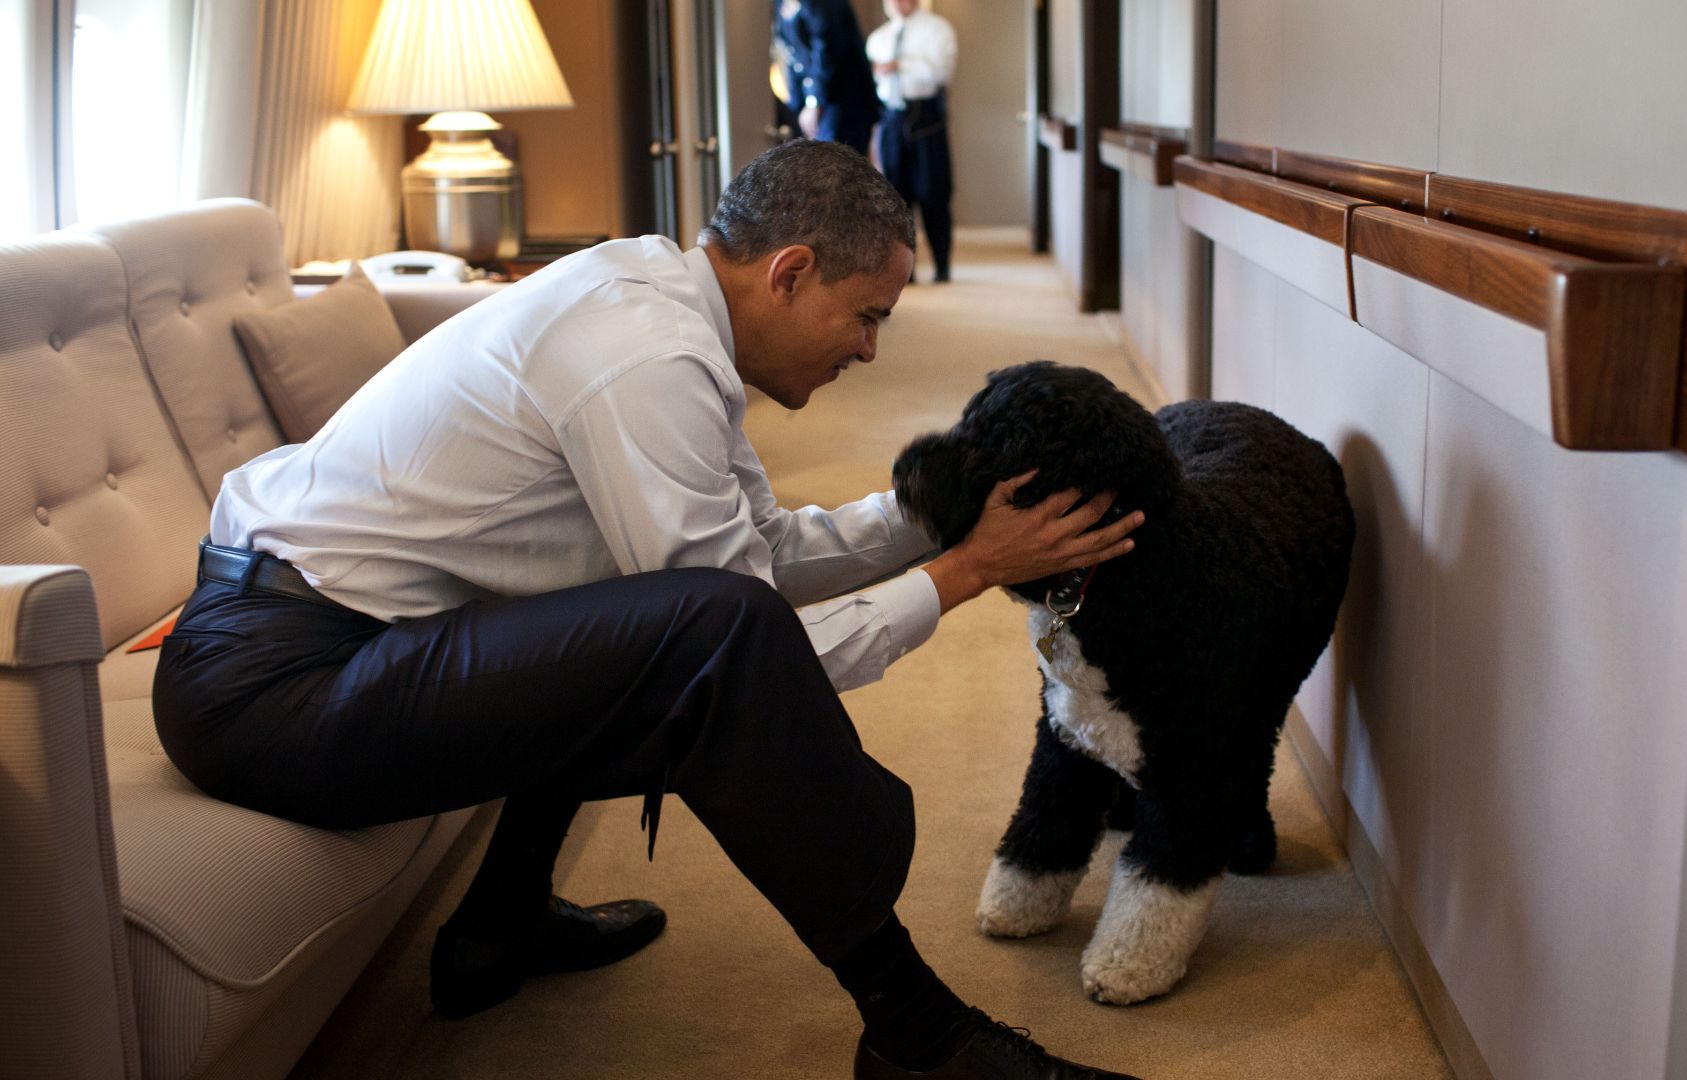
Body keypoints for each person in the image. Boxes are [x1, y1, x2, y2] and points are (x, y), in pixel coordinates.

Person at [150, 140, 1144, 1080]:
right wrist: (970, 570)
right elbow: (739, 642)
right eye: (867, 315)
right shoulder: (648, 353)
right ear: (790, 273)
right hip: (275, 693)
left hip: (318, 643)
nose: (873, 351)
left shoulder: (670, 316)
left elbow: (764, 556)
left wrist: (939, 516)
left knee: (634, 611)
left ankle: (502, 921)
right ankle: (919, 1033)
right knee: (697, 637)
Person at [867, 0, 957, 283]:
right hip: (891, 118)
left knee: (934, 193)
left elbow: (940, 72)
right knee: (896, 198)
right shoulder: (878, 39)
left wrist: (899, 65)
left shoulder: (937, 29)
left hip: (926, 119)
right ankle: (905, 270)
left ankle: (942, 265)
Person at [776, 0, 881, 152]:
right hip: (815, 102)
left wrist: (814, 102)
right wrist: (797, 107)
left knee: (836, 164)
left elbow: (828, 50)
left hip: (844, 100)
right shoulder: (779, 4)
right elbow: (792, 55)